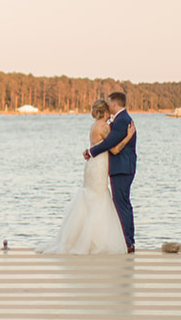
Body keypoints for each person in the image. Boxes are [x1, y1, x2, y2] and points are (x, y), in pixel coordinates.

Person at [37, 99, 127, 254]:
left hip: (91, 164)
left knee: (89, 198)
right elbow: (115, 149)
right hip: (99, 165)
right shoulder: (104, 127)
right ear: (105, 112)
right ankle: (95, 242)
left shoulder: (93, 126)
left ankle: (82, 239)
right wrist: (128, 136)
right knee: (99, 198)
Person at [83, 90, 137, 252]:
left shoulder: (122, 120)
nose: (108, 106)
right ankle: (125, 240)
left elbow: (112, 146)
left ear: (114, 103)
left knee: (122, 204)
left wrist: (91, 151)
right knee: (121, 203)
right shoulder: (119, 120)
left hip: (122, 168)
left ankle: (128, 242)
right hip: (118, 167)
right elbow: (110, 143)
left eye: (109, 102)